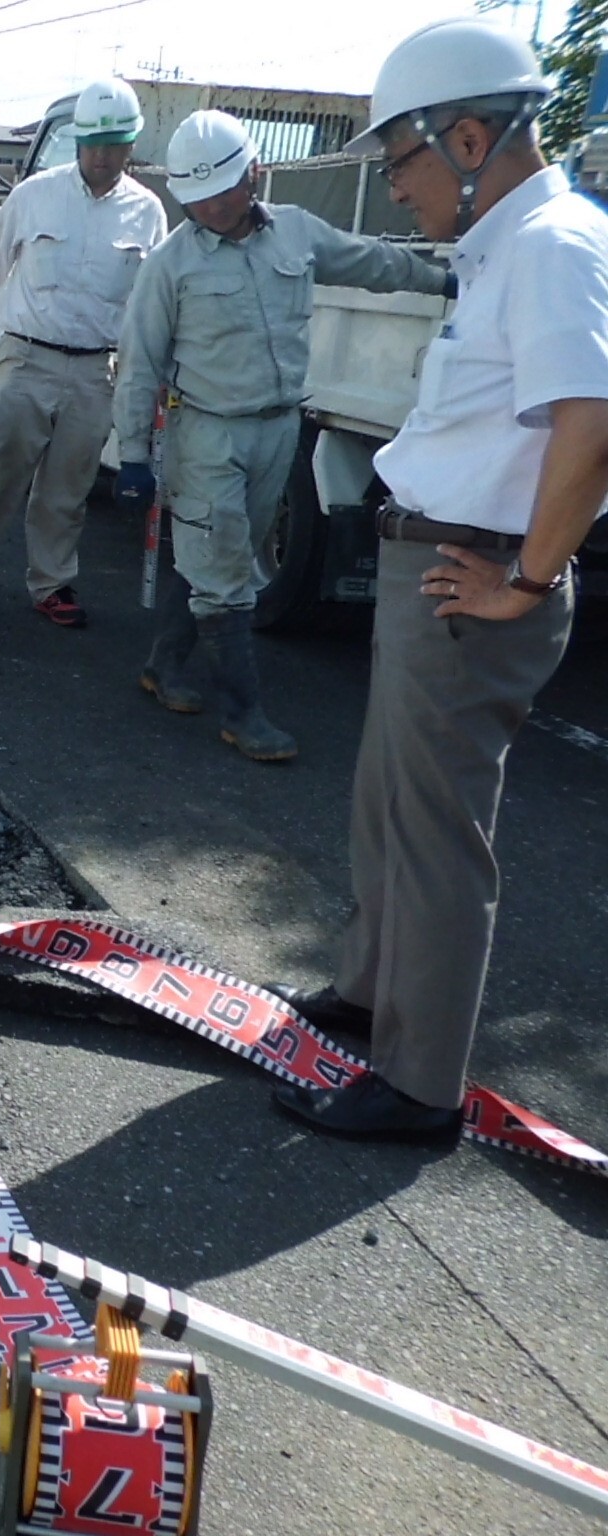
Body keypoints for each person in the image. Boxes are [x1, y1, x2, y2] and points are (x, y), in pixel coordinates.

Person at [271, 20, 608, 1141]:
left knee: (433, 835)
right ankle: (372, 995)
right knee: (389, 804)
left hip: (472, 576)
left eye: (398, 159)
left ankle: (417, 1085)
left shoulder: (552, 243)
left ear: (468, 136)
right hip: (430, 561)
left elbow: (591, 422)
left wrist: (526, 578)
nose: (393, 186)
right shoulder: (502, 248)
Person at [113, 109, 451, 762]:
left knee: (225, 558)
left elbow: (369, 263)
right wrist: (132, 455)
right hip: (208, 432)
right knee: (226, 576)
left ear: (254, 175)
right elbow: (140, 365)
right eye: (196, 199)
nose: (209, 208)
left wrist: (441, 280)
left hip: (279, 428)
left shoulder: (295, 234)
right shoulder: (170, 265)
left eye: (221, 192)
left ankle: (164, 663)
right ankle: (245, 715)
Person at [0, 77, 168, 635]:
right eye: (93, 143)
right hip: (26, 359)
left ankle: (50, 584)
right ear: (77, 141)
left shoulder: (147, 214)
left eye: (114, 144)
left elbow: (151, 305)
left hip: (97, 370)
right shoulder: (34, 195)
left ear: (132, 145)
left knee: (68, 489)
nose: (102, 156)